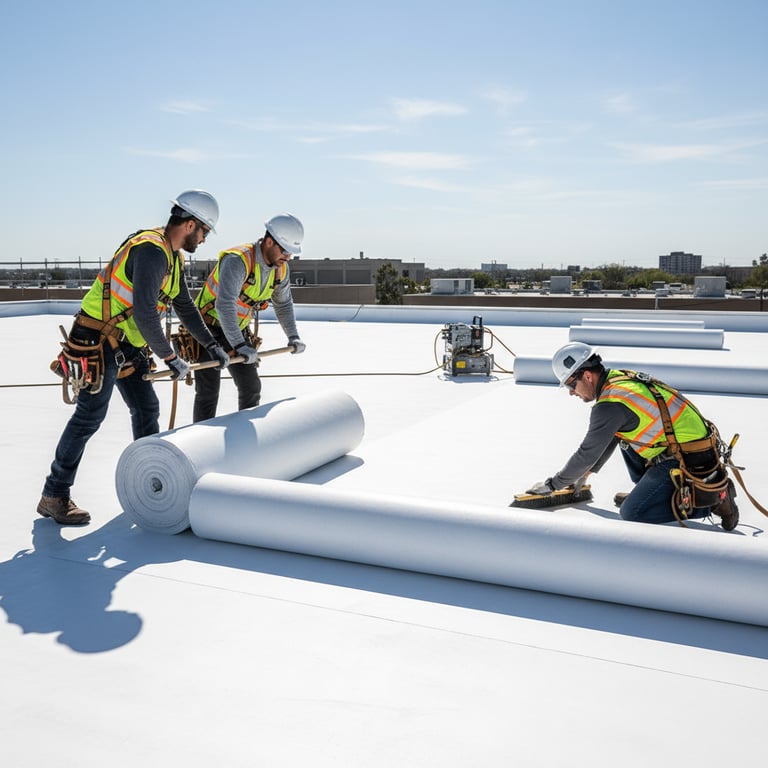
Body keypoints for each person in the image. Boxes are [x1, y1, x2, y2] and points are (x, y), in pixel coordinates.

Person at [38, 190, 230, 525]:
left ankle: (150, 483)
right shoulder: (151, 250)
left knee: (146, 409)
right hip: (98, 338)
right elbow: (144, 312)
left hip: (127, 344)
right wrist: (169, 356)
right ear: (189, 224)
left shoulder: (172, 256)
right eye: (204, 232)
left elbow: (184, 306)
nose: (204, 239)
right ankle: (54, 494)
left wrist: (211, 345)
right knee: (89, 417)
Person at [526, 341, 739, 529]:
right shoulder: (618, 378)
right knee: (625, 441)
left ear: (588, 376)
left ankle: (714, 503)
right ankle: (651, 495)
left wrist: (553, 485)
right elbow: (610, 436)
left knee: (632, 513)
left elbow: (587, 452)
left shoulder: (610, 404)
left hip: (688, 457)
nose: (571, 392)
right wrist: (586, 472)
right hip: (687, 447)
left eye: (571, 385)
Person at [191, 212, 306, 423]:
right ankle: (200, 437)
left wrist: (293, 336)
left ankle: (246, 435)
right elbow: (225, 305)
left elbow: (283, 303)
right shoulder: (238, 260)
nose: (288, 257)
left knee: (251, 387)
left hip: (237, 329)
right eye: (285, 250)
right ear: (269, 242)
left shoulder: (280, 269)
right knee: (208, 392)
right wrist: (240, 345)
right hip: (208, 328)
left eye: (291, 253)